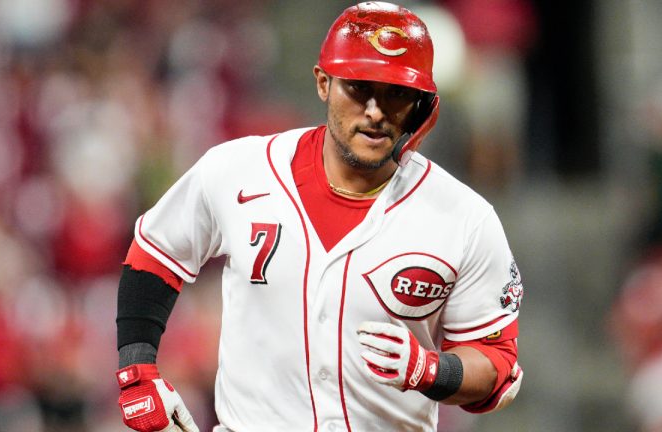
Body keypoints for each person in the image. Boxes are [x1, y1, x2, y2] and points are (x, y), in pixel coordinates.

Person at [114, 2, 524, 431]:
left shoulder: (465, 218)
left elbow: (497, 366)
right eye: (359, 88)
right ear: (323, 83)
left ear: (422, 105)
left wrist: (432, 371)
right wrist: (136, 370)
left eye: (396, 93)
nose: (375, 111)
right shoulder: (237, 169)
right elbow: (155, 251)